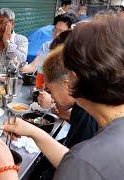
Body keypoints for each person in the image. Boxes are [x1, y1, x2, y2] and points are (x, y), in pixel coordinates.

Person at [0, 14, 124, 180]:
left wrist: (4, 169)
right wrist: (35, 132)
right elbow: (72, 161)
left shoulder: (85, 161)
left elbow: (80, 164)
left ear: (71, 78)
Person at [30, 45, 99, 180]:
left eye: (50, 90)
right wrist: (65, 115)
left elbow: (75, 167)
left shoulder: (87, 113)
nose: (52, 96)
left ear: (67, 84)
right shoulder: (83, 105)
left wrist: (33, 132)